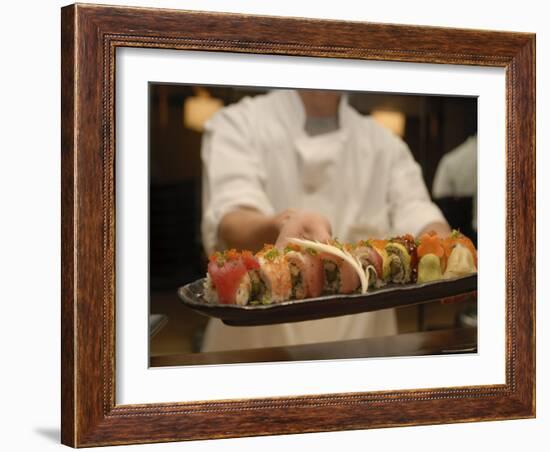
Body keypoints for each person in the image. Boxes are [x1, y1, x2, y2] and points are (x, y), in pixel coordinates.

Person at [200, 89, 450, 352]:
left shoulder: (386, 144)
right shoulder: (237, 122)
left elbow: (419, 212)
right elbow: (232, 217)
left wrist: (450, 251)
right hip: (254, 350)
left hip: (361, 350)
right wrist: (283, 224)